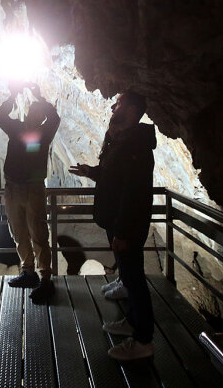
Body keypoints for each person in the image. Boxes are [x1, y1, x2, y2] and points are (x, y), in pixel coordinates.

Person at [69, 90, 156, 360]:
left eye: (117, 105)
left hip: (126, 225)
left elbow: (133, 192)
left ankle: (143, 341)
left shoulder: (135, 146)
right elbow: (112, 176)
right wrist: (90, 171)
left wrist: (122, 232)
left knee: (135, 280)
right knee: (129, 276)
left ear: (130, 109)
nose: (111, 109)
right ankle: (132, 321)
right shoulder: (123, 140)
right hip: (117, 221)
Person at [0, 82, 61, 302]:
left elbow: (56, 119)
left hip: (33, 189)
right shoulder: (16, 129)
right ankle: (28, 271)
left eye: (38, 112)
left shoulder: (44, 133)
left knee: (39, 233)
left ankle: (45, 279)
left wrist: (40, 97)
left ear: (41, 117)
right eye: (32, 111)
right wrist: (12, 94)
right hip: (13, 187)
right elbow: (0, 117)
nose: (35, 114)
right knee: (18, 231)